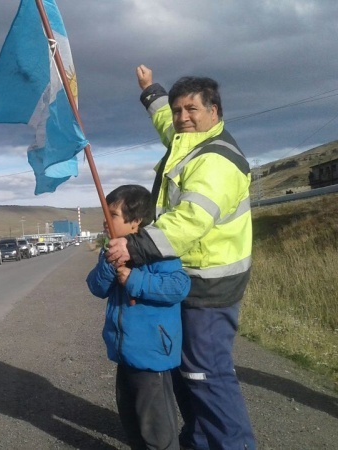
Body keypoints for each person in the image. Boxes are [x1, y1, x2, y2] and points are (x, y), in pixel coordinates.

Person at [106, 65, 255, 450]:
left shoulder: (216, 161)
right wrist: (150, 91)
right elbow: (165, 126)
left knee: (206, 373)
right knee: (186, 370)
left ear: (214, 112)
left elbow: (190, 221)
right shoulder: (188, 141)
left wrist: (135, 246)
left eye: (191, 109)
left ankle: (232, 444)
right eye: (177, 110)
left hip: (211, 282)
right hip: (191, 274)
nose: (182, 117)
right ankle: (201, 439)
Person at [86, 184, 191, 450]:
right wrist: (109, 266)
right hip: (125, 353)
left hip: (151, 356)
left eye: (113, 215)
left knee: (155, 428)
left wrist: (136, 279)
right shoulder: (111, 251)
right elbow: (96, 287)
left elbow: (178, 286)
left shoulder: (158, 253)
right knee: (131, 421)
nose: (105, 220)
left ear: (136, 222)